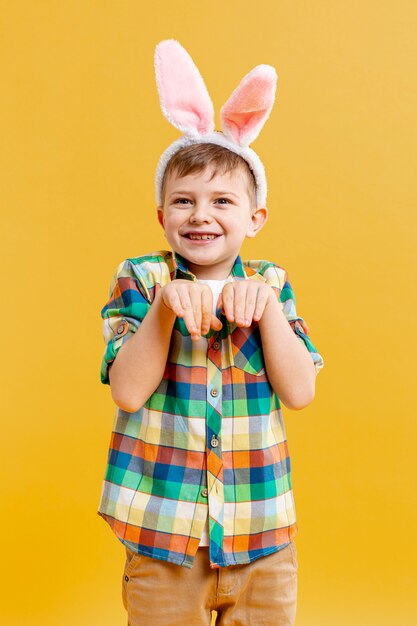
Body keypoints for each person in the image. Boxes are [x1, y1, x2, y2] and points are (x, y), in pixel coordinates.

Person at [97, 40, 324, 626]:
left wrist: (269, 309)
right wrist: (165, 312)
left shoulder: (273, 281)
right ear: (162, 215)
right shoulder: (142, 280)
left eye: (222, 200)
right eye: (184, 201)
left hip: (262, 536)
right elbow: (126, 391)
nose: (201, 214)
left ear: (255, 218)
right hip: (164, 539)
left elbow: (300, 393)